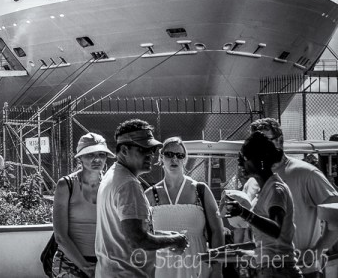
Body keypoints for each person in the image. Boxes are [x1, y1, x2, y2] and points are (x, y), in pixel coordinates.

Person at [95, 119, 188, 277]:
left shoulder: (113, 175)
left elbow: (127, 232)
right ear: (124, 150)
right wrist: (175, 241)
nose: (150, 154)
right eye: (143, 149)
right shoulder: (128, 184)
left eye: (152, 149)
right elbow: (137, 239)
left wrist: (167, 236)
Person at [251, 118, 338, 276]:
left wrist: (317, 251)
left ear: (279, 141)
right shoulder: (255, 180)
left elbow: (336, 215)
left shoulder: (306, 173)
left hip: (302, 272)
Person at [224, 131, 302, 277]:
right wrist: (231, 249)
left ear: (259, 161)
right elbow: (264, 242)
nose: (240, 163)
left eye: (244, 158)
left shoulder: (276, 190)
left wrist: (243, 212)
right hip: (271, 268)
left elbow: (275, 229)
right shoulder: (264, 191)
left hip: (278, 270)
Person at [145, 137, 224, 278]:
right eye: (169, 154)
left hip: (197, 266)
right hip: (162, 268)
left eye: (179, 155)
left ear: (185, 159)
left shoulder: (200, 190)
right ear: (161, 157)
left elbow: (217, 231)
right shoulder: (150, 194)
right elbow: (143, 235)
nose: (174, 159)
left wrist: (217, 268)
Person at [52, 133, 113, 278]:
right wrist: (86, 267)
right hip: (69, 264)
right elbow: (60, 236)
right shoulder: (66, 185)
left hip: (104, 264)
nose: (96, 159)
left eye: (101, 154)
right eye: (90, 154)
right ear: (80, 157)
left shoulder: (112, 186)